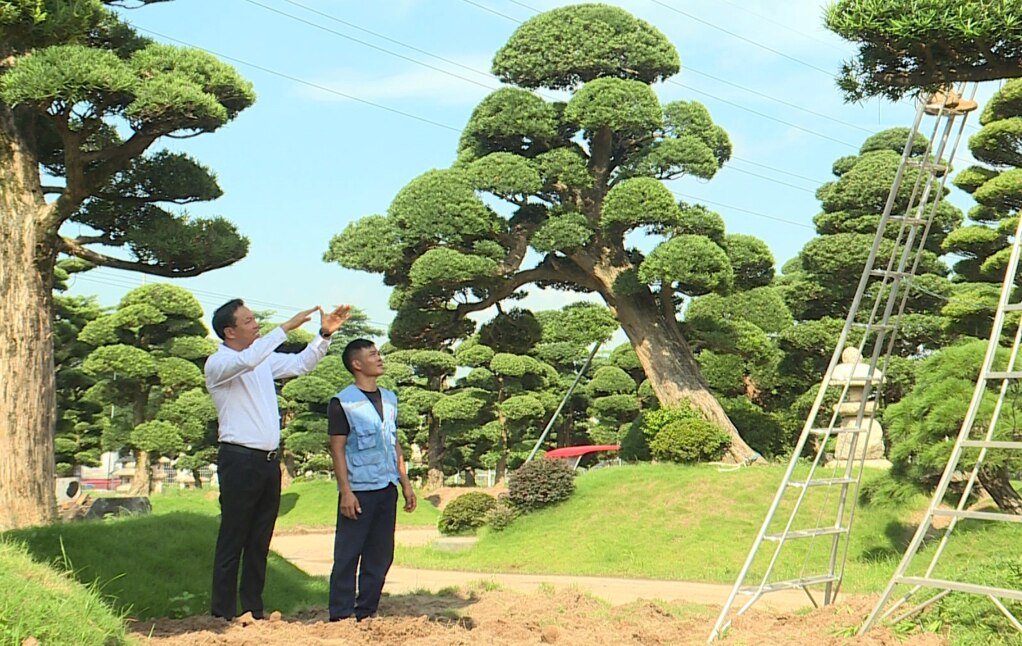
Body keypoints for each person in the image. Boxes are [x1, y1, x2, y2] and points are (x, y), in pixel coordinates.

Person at [205, 298, 351, 620]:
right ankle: (221, 614)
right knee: (234, 537)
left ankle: (252, 610)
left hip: (268, 463)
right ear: (229, 332)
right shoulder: (218, 364)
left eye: (255, 318)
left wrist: (323, 335)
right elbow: (245, 362)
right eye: (248, 321)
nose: (256, 324)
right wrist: (285, 327)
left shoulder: (262, 362)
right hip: (239, 460)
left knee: (259, 539)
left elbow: (301, 365)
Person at [327, 339, 416, 622]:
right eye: (372, 354)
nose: (379, 358)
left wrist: (405, 482)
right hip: (359, 489)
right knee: (347, 554)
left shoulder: (390, 397)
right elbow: (337, 448)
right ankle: (340, 616)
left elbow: (393, 441)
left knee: (380, 555)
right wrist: (346, 492)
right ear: (356, 364)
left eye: (378, 353)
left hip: (387, 486)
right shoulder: (342, 402)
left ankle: (366, 612)